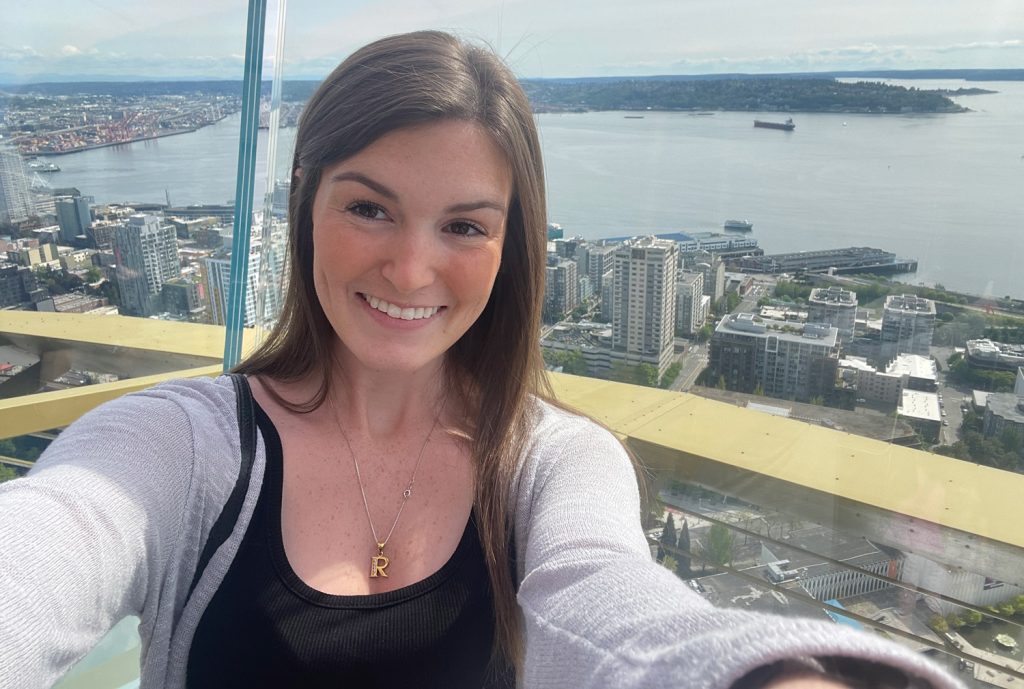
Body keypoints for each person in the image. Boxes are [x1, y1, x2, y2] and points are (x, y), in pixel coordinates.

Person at [0, 31, 963, 689]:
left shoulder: (549, 463)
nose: (411, 266)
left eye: (464, 224)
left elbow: (607, 603)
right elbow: (55, 539)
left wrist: (770, 675)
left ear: (512, 248)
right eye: (369, 207)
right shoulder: (183, 449)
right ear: (304, 204)